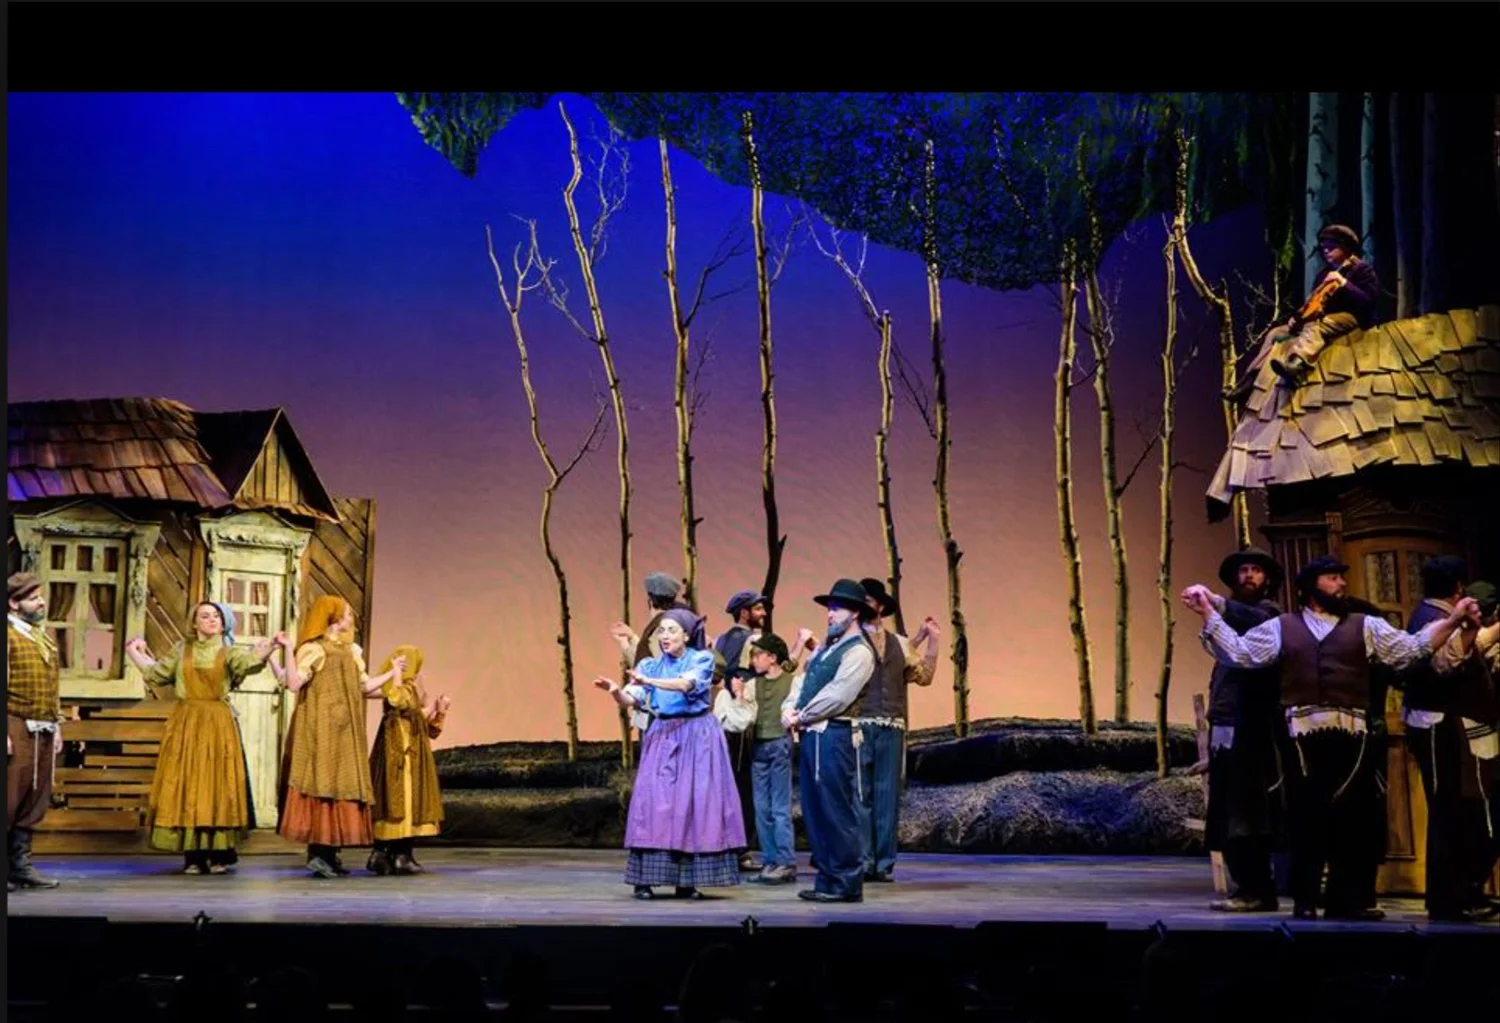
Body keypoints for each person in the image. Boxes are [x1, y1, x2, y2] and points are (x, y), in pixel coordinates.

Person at [1182, 556, 1477, 920]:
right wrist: (1208, 613)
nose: (1341, 584)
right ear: (1310, 588)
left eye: (1341, 577)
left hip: (1352, 737)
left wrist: (1453, 621)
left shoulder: (1366, 625)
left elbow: (1411, 647)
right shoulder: (1282, 627)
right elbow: (1241, 653)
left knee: (1352, 819)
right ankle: (1305, 900)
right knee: (1306, 819)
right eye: (1332, 578)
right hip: (1302, 738)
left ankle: (1347, 900)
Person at [594, 608, 745, 899]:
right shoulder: (650, 666)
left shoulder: (701, 659)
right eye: (661, 631)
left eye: (671, 630)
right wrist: (615, 691)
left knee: (693, 805)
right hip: (664, 734)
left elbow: (685, 685)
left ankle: (686, 881)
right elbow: (630, 698)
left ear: (686, 635)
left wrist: (648, 682)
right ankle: (644, 879)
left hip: (697, 736)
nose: (665, 636)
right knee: (655, 805)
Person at [124, 602, 282, 874]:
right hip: (187, 723)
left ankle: (219, 852)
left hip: (217, 723)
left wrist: (270, 647)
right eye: (205, 616)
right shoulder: (181, 650)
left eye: (216, 616)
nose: (212, 620)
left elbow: (250, 663)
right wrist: (133, 652)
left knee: (218, 784)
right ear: (194, 623)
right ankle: (194, 856)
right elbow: (156, 674)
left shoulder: (229, 651)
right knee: (189, 784)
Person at [1398, 556, 1499, 921]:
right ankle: (1449, 900)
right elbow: (1446, 663)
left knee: (1458, 813)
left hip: (1444, 727)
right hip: (1440, 727)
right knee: (1450, 814)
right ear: (1459, 587)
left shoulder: (1434, 615)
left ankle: (1458, 895)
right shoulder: (1434, 619)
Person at [278, 595, 405, 878]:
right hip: (319, 727)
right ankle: (318, 853)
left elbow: (364, 686)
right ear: (333, 617)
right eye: (347, 613)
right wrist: (288, 648)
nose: (351, 619)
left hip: (346, 729)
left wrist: (392, 673)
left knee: (341, 784)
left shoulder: (352, 651)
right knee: (321, 782)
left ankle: (331, 853)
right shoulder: (314, 649)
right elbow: (294, 683)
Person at [1199, 549, 1287, 913]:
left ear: (1267, 578)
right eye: (1243, 570)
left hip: (1253, 729)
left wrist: (1218, 606)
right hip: (1226, 726)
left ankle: (1257, 888)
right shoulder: (1230, 619)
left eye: (1256, 570)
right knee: (1228, 811)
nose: (1248, 576)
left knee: (1248, 812)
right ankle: (1246, 886)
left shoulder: (1271, 616)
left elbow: (1254, 619)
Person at [782, 579, 879, 904]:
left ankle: (845, 882)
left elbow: (839, 695)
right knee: (815, 809)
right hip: (813, 733)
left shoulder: (859, 651)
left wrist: (801, 715)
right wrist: (788, 709)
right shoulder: (827, 648)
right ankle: (827, 878)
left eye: (836, 609)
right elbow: (803, 681)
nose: (830, 614)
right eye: (830, 609)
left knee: (836, 808)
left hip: (835, 734)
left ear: (855, 613)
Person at [854, 578, 939, 884]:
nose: (862, 605)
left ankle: (883, 863)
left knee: (887, 795)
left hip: (891, 725)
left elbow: (923, 676)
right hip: (859, 725)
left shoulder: (900, 644)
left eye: (867, 600)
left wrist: (932, 641)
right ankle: (864, 860)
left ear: (879, 606)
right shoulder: (850, 640)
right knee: (860, 794)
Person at [714, 631, 807, 884]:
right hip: (758, 747)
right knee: (761, 807)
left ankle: (785, 862)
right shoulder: (754, 684)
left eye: (758, 655)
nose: (753, 660)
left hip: (779, 745)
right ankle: (770, 861)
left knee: (779, 807)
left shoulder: (793, 682)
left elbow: (796, 707)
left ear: (773, 658)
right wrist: (740, 696)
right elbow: (746, 716)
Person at [367, 644, 451, 876]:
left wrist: (439, 710)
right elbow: (397, 700)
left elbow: (423, 724)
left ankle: (395, 854)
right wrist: (395, 673)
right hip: (398, 750)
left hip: (411, 749)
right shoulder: (396, 686)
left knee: (407, 798)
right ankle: (389, 854)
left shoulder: (411, 688)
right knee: (397, 797)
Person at [1268, 224, 1381, 384]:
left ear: (1345, 248)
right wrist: (1297, 317)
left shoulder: (1361, 270)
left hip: (1353, 317)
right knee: (1275, 333)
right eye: (1324, 247)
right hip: (1323, 316)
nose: (1326, 251)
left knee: (1317, 325)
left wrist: (1343, 283)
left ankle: (1297, 363)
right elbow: (1314, 301)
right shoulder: (1324, 274)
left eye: (1331, 247)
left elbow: (1369, 300)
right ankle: (1252, 376)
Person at [7, 572, 63, 891]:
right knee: (10, 796)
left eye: (40, 596)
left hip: (43, 726)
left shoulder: (44, 638)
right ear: (14, 604)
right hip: (15, 722)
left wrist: (57, 724)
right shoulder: (9, 636)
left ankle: (20, 866)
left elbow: (53, 686)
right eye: (33, 598)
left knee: (34, 797)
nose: (41, 602)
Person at [713, 590, 770, 869]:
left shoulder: (722, 640)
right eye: (758, 609)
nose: (763, 614)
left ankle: (726, 845)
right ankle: (741, 849)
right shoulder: (751, 640)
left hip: (725, 721)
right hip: (742, 720)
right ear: (744, 613)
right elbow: (766, 672)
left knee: (729, 783)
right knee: (743, 785)